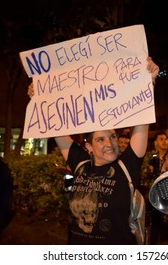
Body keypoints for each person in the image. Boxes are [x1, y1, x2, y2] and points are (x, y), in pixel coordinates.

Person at [28, 56, 159, 244]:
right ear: (88, 147)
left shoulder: (127, 166)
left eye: (113, 136)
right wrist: (40, 98)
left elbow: (142, 120)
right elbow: (54, 126)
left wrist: (148, 83)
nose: (110, 142)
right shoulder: (80, 164)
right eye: (101, 139)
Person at [148, 130, 168, 244]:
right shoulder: (154, 157)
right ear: (156, 142)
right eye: (161, 139)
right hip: (157, 192)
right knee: (156, 219)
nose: (164, 142)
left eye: (165, 139)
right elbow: (151, 175)